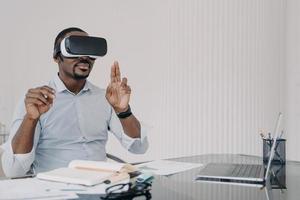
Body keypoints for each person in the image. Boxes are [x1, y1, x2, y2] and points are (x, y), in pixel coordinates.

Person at [1, 27, 148, 178]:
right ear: (57, 57)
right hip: (54, 190)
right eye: (75, 49)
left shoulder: (106, 98)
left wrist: (123, 111)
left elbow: (139, 147)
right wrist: (31, 119)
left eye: (89, 51)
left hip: (100, 187)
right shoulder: (36, 101)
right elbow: (13, 170)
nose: (84, 57)